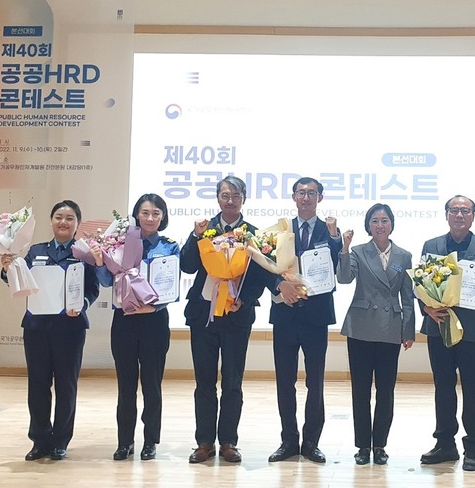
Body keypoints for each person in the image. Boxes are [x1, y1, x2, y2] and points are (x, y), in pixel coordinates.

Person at [180, 176, 276, 464]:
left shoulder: (254, 234)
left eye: (235, 195)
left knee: (233, 382)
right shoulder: (204, 229)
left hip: (236, 316)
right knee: (204, 382)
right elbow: (187, 265)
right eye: (225, 195)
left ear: (244, 198)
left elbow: (262, 275)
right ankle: (204, 442)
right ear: (217, 198)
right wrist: (195, 236)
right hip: (204, 315)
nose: (230, 200)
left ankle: (228, 442)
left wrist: (243, 299)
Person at [1, 200, 99, 461]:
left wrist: (82, 304)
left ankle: (60, 441)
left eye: (69, 218)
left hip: (70, 328)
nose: (63, 222)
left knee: (66, 385)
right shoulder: (35, 251)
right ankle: (39, 440)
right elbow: (17, 279)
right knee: (38, 385)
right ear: (51, 221)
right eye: (59, 217)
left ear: (77, 223)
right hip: (37, 328)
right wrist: (8, 268)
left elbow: (93, 289)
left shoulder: (84, 253)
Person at [93, 193, 180, 461]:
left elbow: (172, 287)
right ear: (136, 215)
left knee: (152, 385)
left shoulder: (170, 247)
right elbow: (106, 282)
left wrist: (154, 307)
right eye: (145, 213)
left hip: (155, 321)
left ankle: (150, 441)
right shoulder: (119, 243)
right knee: (125, 385)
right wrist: (100, 262)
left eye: (156, 213)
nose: (150, 218)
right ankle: (125, 441)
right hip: (125, 321)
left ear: (163, 217)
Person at [418, 195, 475, 472]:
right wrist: (426, 308)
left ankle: (473, 446)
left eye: (465, 211)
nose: (460, 215)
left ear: (473, 216)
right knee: (443, 386)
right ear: (446, 215)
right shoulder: (431, 246)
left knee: (473, 388)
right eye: (455, 210)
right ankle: (445, 444)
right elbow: (420, 284)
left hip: (471, 330)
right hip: (438, 325)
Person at [267, 177, 342, 464]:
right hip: (285, 314)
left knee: (315, 382)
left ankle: (311, 442)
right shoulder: (280, 231)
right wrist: (279, 285)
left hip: (316, 316)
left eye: (312, 193)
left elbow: (338, 266)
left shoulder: (329, 230)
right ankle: (288, 440)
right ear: (294, 197)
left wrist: (336, 239)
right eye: (301, 193)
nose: (306, 197)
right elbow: (265, 267)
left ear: (320, 198)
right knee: (284, 381)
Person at [336, 203, 415, 466]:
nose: (380, 225)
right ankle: (362, 446)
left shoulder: (404, 256)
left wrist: (408, 330)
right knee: (360, 390)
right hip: (361, 326)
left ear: (392, 224)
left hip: (390, 328)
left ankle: (379, 444)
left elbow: (408, 296)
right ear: (368, 225)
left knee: (386, 390)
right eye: (375, 221)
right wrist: (344, 249)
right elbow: (344, 279)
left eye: (384, 220)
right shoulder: (358, 251)